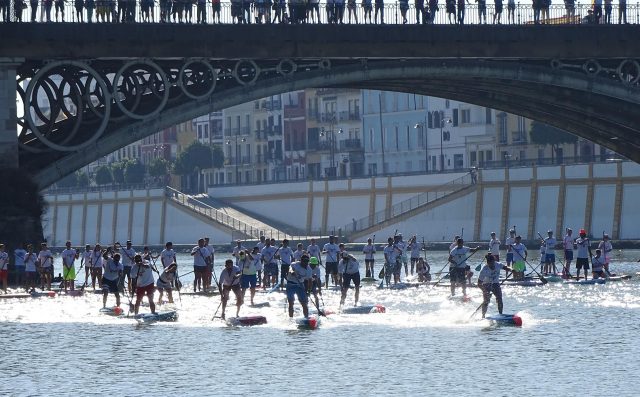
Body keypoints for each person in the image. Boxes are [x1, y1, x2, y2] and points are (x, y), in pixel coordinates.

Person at [477, 254, 512, 318]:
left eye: (493, 263)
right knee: (486, 301)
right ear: (487, 263)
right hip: (486, 284)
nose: (492, 266)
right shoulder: (484, 270)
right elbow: (479, 284)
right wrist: (485, 292)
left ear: (494, 261)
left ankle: (501, 314)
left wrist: (512, 270)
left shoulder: (498, 264)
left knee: (499, 298)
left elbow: (506, 267)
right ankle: (483, 316)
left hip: (495, 283)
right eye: (490, 264)